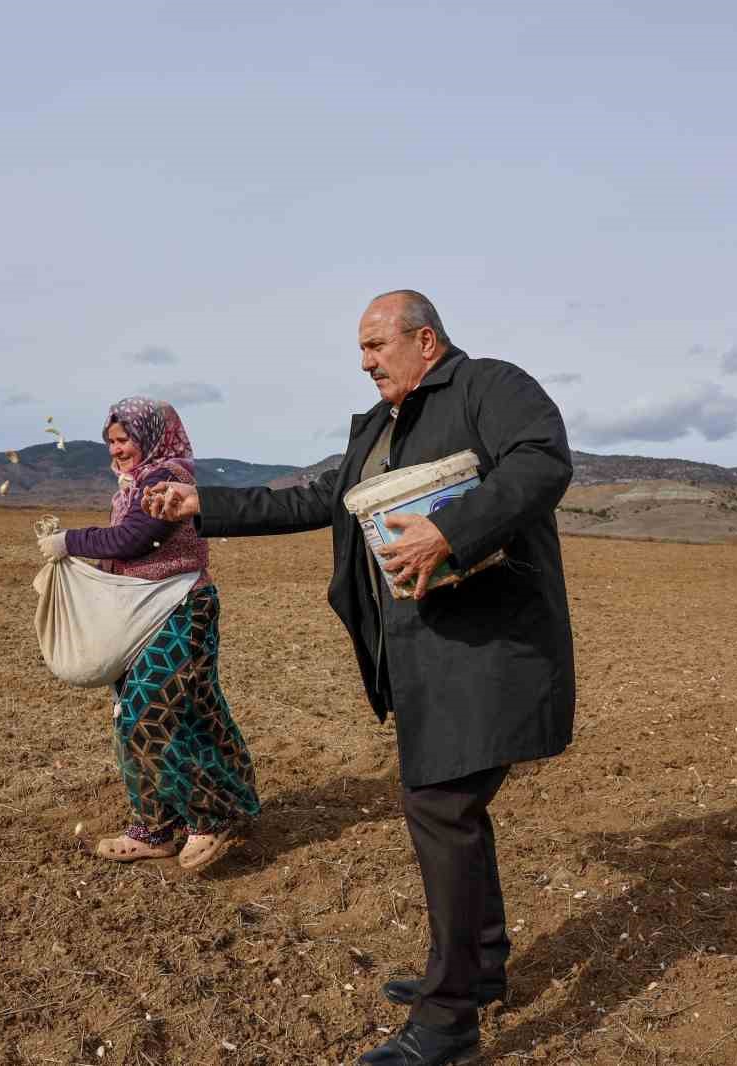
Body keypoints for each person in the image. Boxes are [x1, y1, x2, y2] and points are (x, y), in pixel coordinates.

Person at [144, 291, 576, 1065]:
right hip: (423, 653)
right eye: (362, 351)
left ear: (427, 339)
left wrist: (452, 528)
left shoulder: (490, 387)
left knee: (441, 807)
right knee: (451, 809)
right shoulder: (379, 428)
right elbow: (317, 499)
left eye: (378, 345)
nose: (367, 362)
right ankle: (478, 972)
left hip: (489, 645)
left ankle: (448, 1023)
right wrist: (199, 502)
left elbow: (542, 458)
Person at [37, 397, 260, 872]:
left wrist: (70, 541)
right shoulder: (135, 482)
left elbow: (133, 539)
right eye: (111, 442)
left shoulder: (164, 480)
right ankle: (155, 827)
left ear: (152, 437)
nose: (116, 450)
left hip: (180, 609)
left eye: (125, 440)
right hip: (143, 612)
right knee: (172, 712)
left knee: (150, 711)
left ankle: (209, 816)